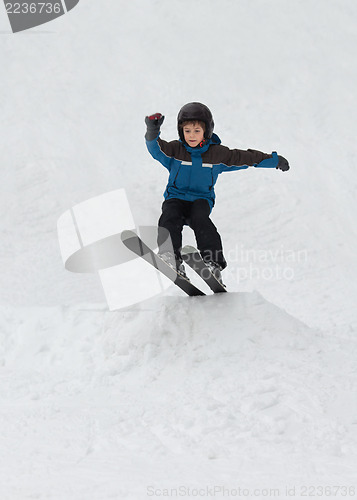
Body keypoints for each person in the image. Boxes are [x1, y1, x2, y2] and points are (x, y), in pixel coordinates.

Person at [145, 102, 289, 284]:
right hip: (176, 197)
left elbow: (246, 157)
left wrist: (273, 160)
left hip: (201, 200)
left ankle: (213, 263)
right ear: (181, 131)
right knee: (169, 216)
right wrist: (152, 130)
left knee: (202, 221)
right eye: (187, 131)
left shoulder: (217, 155)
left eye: (197, 131)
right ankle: (170, 256)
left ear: (207, 131)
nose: (191, 135)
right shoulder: (175, 151)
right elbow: (155, 148)